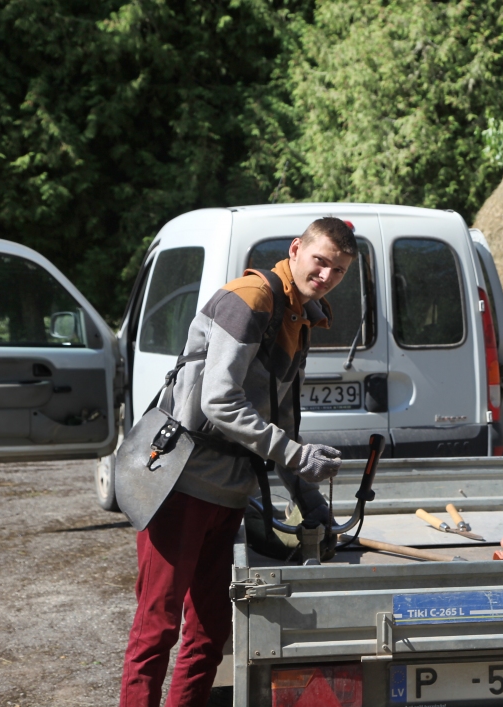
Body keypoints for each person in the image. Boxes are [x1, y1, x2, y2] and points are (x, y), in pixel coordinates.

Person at [119, 217, 356, 707]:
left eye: (339, 269)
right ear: (296, 250)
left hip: (228, 492)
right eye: (321, 261)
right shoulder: (250, 300)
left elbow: (283, 424)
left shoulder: (300, 317)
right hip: (179, 482)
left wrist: (310, 501)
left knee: (212, 632)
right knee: (157, 627)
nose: (327, 275)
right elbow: (220, 402)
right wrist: (296, 456)